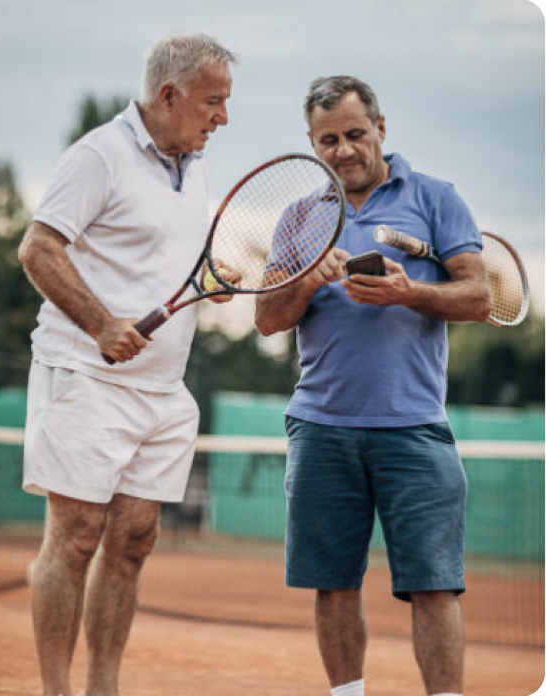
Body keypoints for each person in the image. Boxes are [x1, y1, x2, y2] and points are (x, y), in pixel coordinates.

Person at [255, 75, 491, 696]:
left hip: (413, 426)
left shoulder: (437, 198)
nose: (344, 150)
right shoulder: (300, 217)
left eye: (356, 134)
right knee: (333, 582)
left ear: (380, 129)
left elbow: (479, 296)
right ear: (312, 143)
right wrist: (308, 278)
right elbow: (266, 319)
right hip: (321, 426)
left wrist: (407, 291)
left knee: (434, 583)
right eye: (327, 139)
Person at [18, 34, 237, 696]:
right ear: (167, 96)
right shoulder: (98, 155)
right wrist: (101, 324)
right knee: (76, 538)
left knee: (134, 540)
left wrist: (213, 276)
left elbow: (171, 258)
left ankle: (102, 689)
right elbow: (38, 248)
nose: (221, 118)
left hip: (163, 392)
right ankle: (58, 691)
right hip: (88, 378)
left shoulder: (191, 162)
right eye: (213, 102)